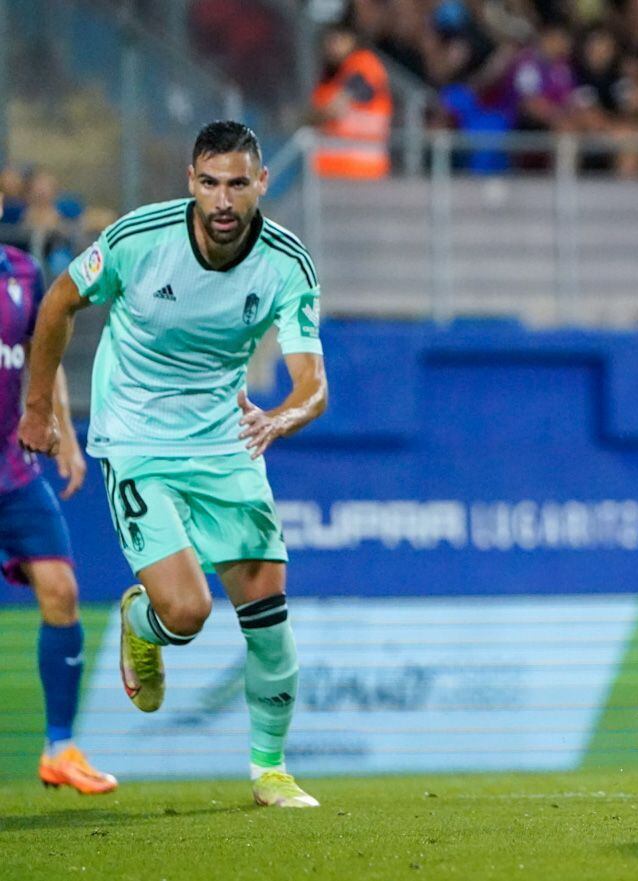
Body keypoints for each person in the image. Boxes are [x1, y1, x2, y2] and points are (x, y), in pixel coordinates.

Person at [18, 121, 329, 806]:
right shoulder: (140, 239)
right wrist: (39, 407)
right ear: (191, 181)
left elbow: (314, 383)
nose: (223, 200)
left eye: (237, 184)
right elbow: (59, 302)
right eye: (210, 183)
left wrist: (280, 417)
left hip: (225, 441)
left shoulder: (285, 263)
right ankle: (141, 624)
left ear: (261, 184)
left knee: (269, 617)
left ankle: (270, 771)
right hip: (134, 439)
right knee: (186, 612)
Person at [0, 192, 115, 794]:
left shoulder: (22, 273)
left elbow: (43, 361)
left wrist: (65, 435)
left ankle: (60, 749)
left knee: (61, 587)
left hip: (12, 471)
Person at [310, 21, 392, 180]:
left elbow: (334, 109)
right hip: (330, 175)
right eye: (330, 39)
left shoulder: (364, 64)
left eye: (338, 39)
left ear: (352, 40)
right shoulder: (330, 78)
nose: (332, 45)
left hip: (363, 173)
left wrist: (302, 119)